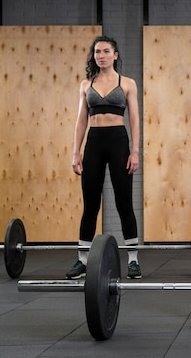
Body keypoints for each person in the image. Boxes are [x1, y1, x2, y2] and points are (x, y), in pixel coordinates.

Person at [66, 36, 142, 280]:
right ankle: (82, 261)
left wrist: (135, 151)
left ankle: (133, 261)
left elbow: (134, 120)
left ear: (115, 55)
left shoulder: (128, 83)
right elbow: (80, 121)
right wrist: (75, 152)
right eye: (98, 51)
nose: (101, 55)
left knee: (124, 203)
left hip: (119, 142)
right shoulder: (86, 85)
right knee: (90, 205)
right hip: (94, 144)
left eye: (106, 51)